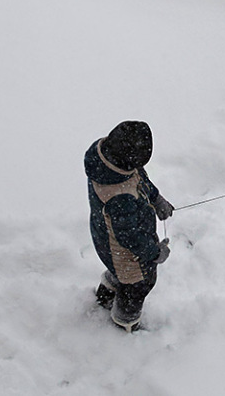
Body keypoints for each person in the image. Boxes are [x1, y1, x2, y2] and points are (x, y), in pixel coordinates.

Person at [85, 121, 174, 332]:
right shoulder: (119, 197)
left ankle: (105, 296)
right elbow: (130, 238)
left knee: (120, 272)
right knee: (138, 283)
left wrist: (155, 198)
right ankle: (124, 322)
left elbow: (138, 177)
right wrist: (155, 253)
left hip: (108, 239)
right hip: (123, 251)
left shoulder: (109, 159)